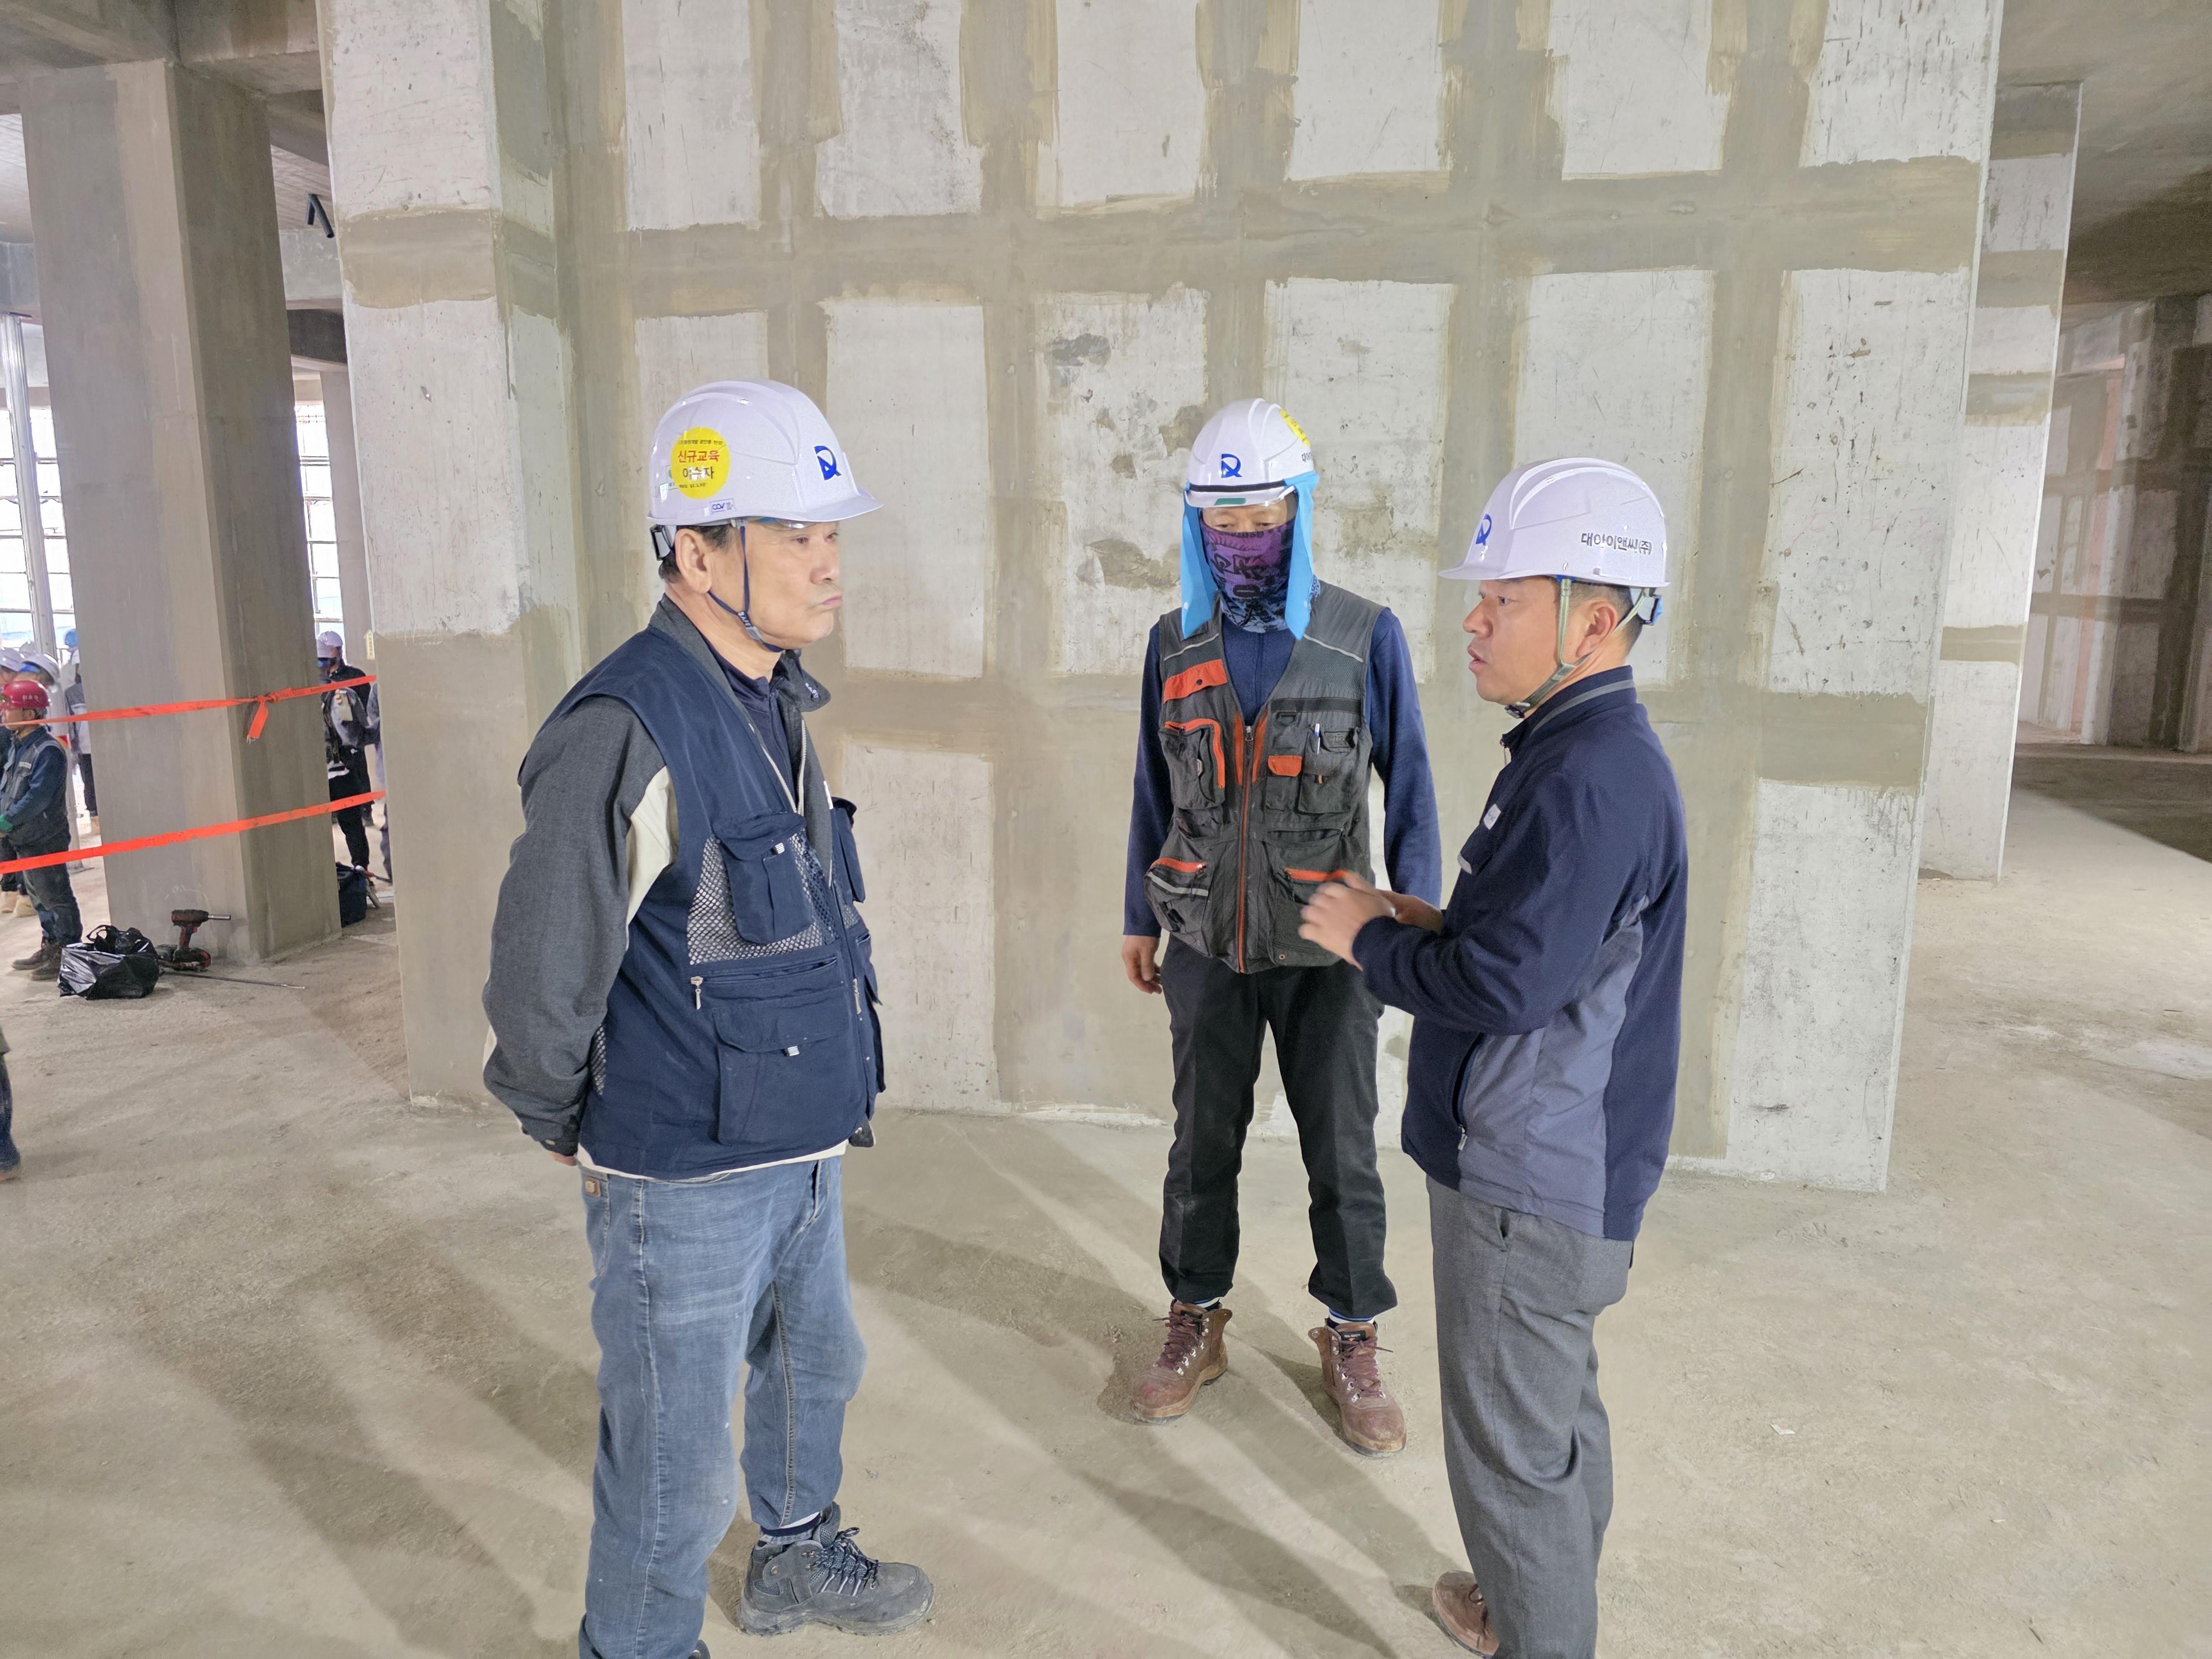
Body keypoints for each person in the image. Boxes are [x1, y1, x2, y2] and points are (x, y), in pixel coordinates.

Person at [483, 380, 932, 1659]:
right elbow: (544, 960)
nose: (826, 561)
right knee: (676, 1465)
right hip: (681, 1165)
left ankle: (792, 1561)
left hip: (796, 1134)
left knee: (813, 1370)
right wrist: (560, 1114)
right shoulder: (626, 722)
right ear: (695, 550)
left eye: (828, 533)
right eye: (794, 534)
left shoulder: (771, 694)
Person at [1298, 458, 1687, 1659]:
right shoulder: (1579, 752)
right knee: (1551, 1421)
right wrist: (1425, 921)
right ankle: (1529, 1604)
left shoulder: (1589, 779)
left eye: (1503, 599)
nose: (1473, 621)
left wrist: (1367, 942)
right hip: (1558, 1164)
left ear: (1591, 621)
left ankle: (1540, 1632)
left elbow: (1507, 989)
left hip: (1527, 1178)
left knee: (1511, 1454)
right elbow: (1540, 944)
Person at [1120, 398, 1441, 1452]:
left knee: (1343, 1148)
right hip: (1206, 943)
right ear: (1196, 526)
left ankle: (1352, 1331)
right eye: (1224, 525)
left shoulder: (1362, 637)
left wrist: (1420, 930)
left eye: (1263, 522)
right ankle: (1196, 1316)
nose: (1243, 543)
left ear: (1299, 514)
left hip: (1333, 950)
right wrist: (1137, 918)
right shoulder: (1175, 644)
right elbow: (1152, 789)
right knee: (1199, 1144)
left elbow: (1413, 787)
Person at [0, 677, 85, 980]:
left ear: (29, 713)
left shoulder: (47, 750)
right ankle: (51, 945)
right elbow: (10, 789)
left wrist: (8, 820)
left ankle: (70, 952)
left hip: (44, 837)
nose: (3, 712)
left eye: (9, 707)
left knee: (56, 896)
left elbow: (38, 797)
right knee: (39, 897)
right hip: (24, 837)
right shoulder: (19, 746)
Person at [317, 630, 375, 875]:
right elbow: (354, 735)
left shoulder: (289, 698)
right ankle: (361, 872)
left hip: (311, 779)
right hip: (341, 773)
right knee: (352, 825)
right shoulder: (342, 695)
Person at [61, 632, 94, 820]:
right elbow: (71, 723)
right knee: (90, 782)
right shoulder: (71, 692)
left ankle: (95, 813)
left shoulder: (73, 691)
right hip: (86, 746)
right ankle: (94, 814)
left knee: (91, 782)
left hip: (90, 745)